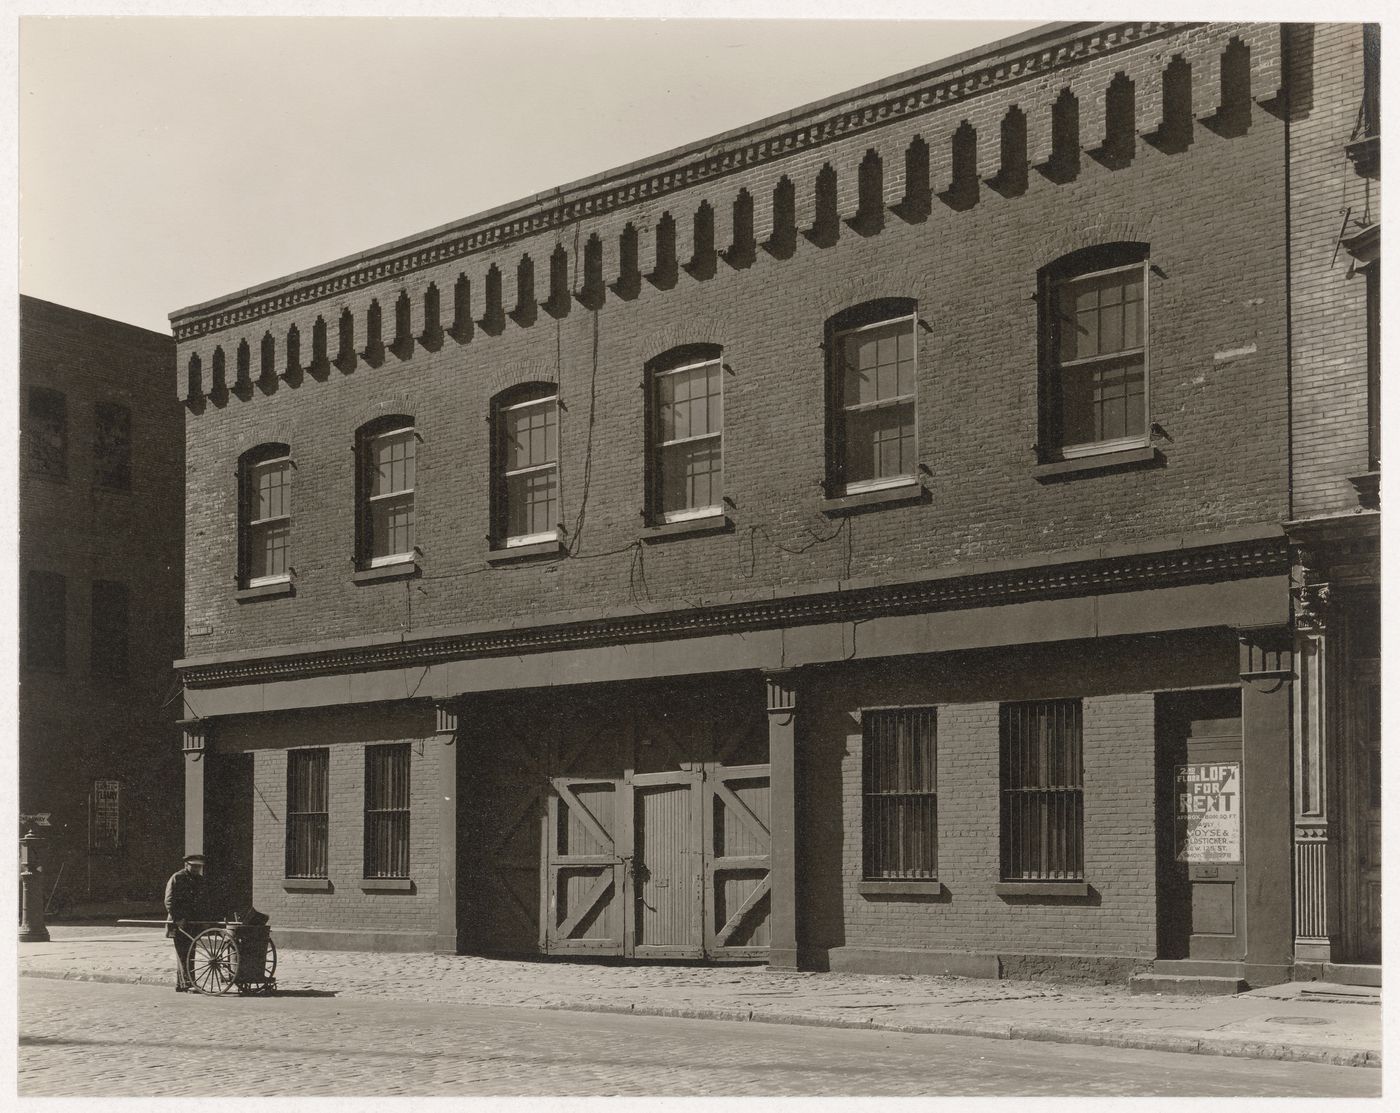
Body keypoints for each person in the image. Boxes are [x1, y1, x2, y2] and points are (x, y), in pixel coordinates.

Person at [164, 853, 207, 991]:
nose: (196, 869)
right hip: (179, 922)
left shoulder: (200, 880)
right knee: (183, 953)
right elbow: (169, 901)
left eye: (199, 867)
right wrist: (178, 919)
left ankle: (183, 984)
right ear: (186, 865)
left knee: (190, 953)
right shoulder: (177, 878)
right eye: (193, 866)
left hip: (193, 922)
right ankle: (188, 983)